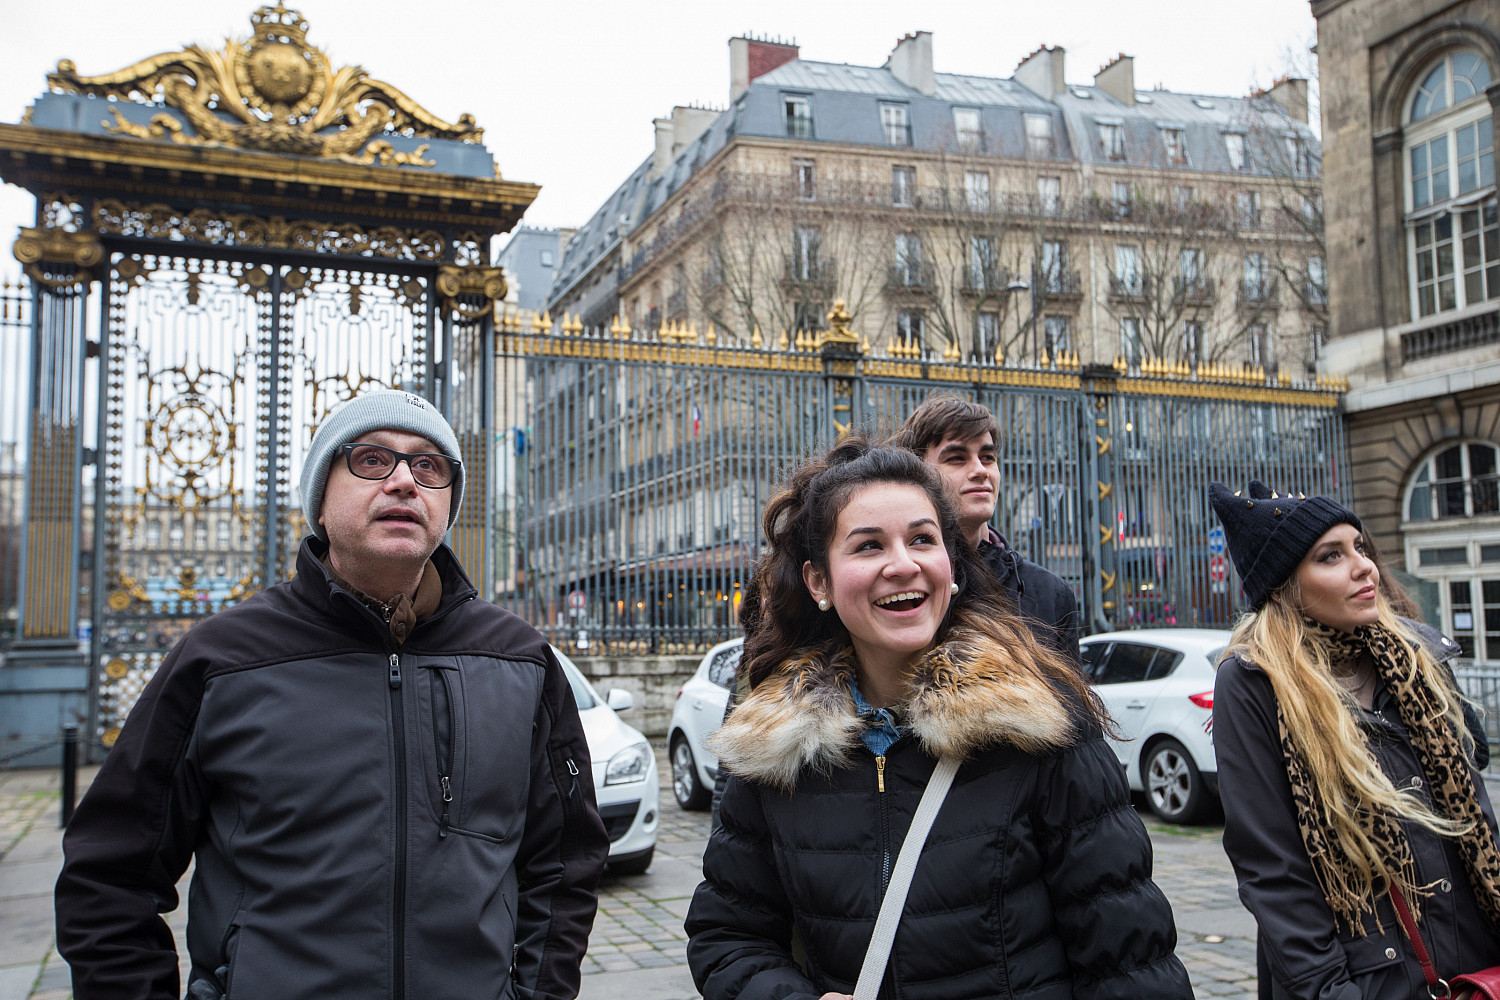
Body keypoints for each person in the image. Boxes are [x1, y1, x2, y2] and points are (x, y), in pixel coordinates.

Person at [55, 389, 609, 1000]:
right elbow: (108, 876)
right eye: (372, 459)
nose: (404, 481)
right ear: (320, 499)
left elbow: (565, 861)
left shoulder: (519, 659)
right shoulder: (223, 660)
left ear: (448, 503)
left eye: (429, 466)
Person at [686, 435, 1191, 1000]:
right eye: (868, 546)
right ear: (818, 582)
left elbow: (1130, 962)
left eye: (922, 540)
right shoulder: (775, 745)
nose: (902, 566)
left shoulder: (1042, 723)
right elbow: (727, 934)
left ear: (951, 568)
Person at [1209, 480, 1500, 1000]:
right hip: (1369, 977)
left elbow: (1480, 824)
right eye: (1330, 556)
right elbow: (1275, 874)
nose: (1363, 565)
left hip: (1473, 965)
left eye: (1359, 547)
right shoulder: (1255, 682)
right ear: (1283, 585)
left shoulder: (1415, 658)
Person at [892, 394, 1081, 663]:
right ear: (917, 472)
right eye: (957, 458)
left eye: (988, 457)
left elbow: (1072, 702)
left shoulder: (1049, 593)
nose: (981, 470)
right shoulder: (897, 581)